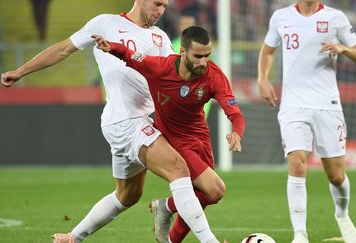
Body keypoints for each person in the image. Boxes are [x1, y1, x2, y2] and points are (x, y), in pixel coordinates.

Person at [1, 1, 221, 243]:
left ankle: (72, 237)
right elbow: (63, 49)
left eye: (165, 6)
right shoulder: (105, 23)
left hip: (146, 121)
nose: (160, 11)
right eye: (157, 4)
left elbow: (173, 75)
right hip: (125, 120)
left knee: (127, 196)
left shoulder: (160, 37)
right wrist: (21, 71)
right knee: (177, 169)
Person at [92, 25, 246, 243]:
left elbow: (236, 115)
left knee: (200, 196)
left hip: (200, 137)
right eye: (198, 56)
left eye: (208, 55)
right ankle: (170, 211)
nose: (204, 62)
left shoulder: (214, 75)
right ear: (182, 52)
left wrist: (236, 133)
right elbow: (131, 55)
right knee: (215, 190)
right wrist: (110, 47)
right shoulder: (160, 68)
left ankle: (167, 215)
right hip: (173, 140)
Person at [257, 1, 356, 243]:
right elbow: (267, 50)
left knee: (336, 176)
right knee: (297, 164)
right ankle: (300, 234)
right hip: (293, 106)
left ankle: (342, 215)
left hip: (326, 105)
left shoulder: (335, 17)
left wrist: (343, 48)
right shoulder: (280, 17)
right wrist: (263, 79)